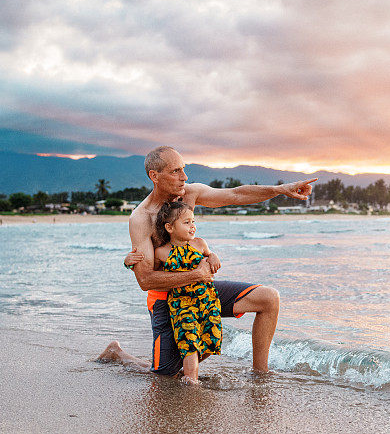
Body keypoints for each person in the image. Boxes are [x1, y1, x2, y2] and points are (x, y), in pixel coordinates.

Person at [98, 145, 316, 375]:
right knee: (165, 375)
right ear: (155, 176)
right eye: (175, 171)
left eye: (183, 169)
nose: (184, 177)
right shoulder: (141, 218)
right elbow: (145, 280)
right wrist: (196, 274)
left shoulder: (189, 193)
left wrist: (281, 189)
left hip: (201, 290)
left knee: (268, 298)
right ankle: (118, 354)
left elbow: (236, 194)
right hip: (166, 298)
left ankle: (260, 374)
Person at [151, 200, 222, 385]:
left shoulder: (199, 243)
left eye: (193, 221)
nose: (192, 226)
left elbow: (209, 255)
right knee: (189, 343)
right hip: (182, 305)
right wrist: (128, 261)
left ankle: (187, 372)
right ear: (169, 227)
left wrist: (213, 256)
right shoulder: (162, 252)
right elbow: (149, 273)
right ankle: (192, 384)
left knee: (212, 339)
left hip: (208, 301)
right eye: (187, 222)